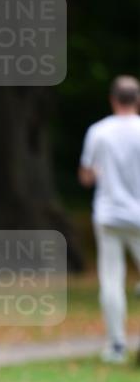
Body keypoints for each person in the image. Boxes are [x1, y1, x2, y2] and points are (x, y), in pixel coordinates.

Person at [79, 75, 140, 363]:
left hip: (109, 214)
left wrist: (98, 174)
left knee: (112, 281)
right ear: (137, 100)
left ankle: (116, 345)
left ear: (113, 99)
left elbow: (86, 175)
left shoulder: (99, 132)